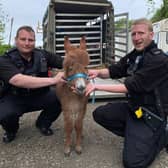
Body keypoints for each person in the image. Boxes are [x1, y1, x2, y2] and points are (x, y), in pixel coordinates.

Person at [85, 18, 168, 168]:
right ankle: (136, 136)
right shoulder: (134, 55)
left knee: (133, 163)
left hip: (151, 115)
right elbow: (113, 70)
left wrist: (97, 88)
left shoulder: (159, 60)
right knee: (100, 114)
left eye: (141, 33)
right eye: (133, 34)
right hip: (134, 109)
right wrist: (95, 72)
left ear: (151, 34)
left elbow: (131, 86)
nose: (136, 38)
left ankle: (161, 137)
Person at [0, 26, 66, 143]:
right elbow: (17, 80)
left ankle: (43, 123)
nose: (27, 43)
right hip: (15, 97)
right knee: (5, 114)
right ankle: (11, 130)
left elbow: (64, 62)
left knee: (61, 97)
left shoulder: (43, 55)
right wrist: (53, 80)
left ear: (35, 41)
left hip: (39, 95)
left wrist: (80, 65)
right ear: (16, 40)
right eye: (23, 39)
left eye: (30, 40)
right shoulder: (5, 59)